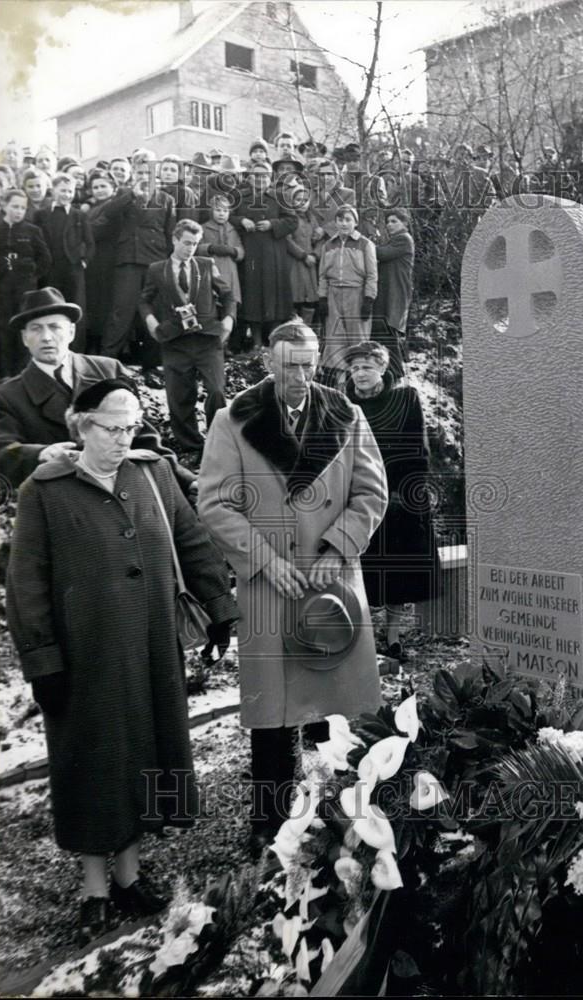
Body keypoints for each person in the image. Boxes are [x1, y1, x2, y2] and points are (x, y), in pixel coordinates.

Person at [6, 377, 236, 944]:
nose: (123, 438)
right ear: (81, 426)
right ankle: (94, 890)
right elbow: (27, 584)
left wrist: (219, 609)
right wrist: (42, 661)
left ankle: (129, 877)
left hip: (154, 645)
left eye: (131, 427)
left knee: (144, 750)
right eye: (112, 428)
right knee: (93, 761)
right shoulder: (45, 490)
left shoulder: (151, 474)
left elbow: (193, 541)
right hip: (84, 657)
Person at [198, 321, 387, 851]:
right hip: (269, 585)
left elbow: (372, 492)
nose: (300, 376)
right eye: (289, 366)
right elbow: (215, 503)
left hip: (332, 581)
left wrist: (337, 547)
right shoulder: (233, 419)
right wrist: (263, 561)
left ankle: (347, 813)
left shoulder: (346, 414)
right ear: (268, 362)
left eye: (308, 365)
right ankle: (270, 821)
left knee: (344, 702)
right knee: (273, 711)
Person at [0, 286, 196, 495]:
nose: (46, 337)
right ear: (24, 338)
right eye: (36, 329)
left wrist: (187, 481)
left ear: (71, 332)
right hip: (62, 498)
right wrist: (41, 454)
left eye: (55, 327)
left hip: (129, 490)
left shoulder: (108, 370)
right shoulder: (6, 396)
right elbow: (0, 451)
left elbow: (144, 438)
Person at [345, 341, 439, 660]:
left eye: (367, 367)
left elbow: (418, 447)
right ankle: (362, 636)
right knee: (360, 567)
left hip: (398, 492)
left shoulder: (405, 398)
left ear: (383, 369)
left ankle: (394, 635)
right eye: (355, 368)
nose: (360, 374)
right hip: (357, 496)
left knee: (398, 569)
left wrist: (409, 492)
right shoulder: (342, 404)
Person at [140, 219, 235, 455]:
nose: (190, 248)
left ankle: (217, 442)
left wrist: (229, 320)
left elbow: (228, 295)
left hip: (207, 339)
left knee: (216, 391)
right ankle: (192, 449)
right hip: (175, 341)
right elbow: (144, 301)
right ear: (174, 240)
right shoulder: (157, 269)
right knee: (179, 398)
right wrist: (151, 322)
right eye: (186, 243)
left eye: (194, 244)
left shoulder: (206, 265)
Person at [99, 159, 176, 383]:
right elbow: (108, 213)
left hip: (156, 261)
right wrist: (132, 195)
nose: (144, 177)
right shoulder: (124, 194)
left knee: (154, 312)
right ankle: (105, 363)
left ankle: (151, 366)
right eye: (140, 172)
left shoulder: (166, 199)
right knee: (121, 312)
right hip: (129, 260)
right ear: (134, 174)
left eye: (148, 173)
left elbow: (170, 233)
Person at [234, 161, 297, 348]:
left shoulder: (279, 197)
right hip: (250, 253)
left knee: (274, 295)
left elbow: (292, 221)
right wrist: (242, 220)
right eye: (256, 175)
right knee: (252, 295)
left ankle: (273, 339)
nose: (260, 179)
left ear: (270, 178)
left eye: (264, 176)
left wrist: (272, 224)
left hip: (273, 253)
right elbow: (227, 216)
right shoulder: (240, 197)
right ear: (249, 178)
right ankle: (256, 342)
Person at [0, 188, 51, 377]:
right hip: (1, 289)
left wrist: (32, 277)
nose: (19, 211)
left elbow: (45, 259)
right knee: (4, 329)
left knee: (25, 328)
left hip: (25, 289)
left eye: (22, 208)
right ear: (4, 206)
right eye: (14, 207)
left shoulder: (33, 231)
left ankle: (24, 373)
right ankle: (6, 374)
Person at [34, 172, 94, 351]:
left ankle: (76, 350)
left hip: (72, 269)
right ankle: (51, 348)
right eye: (62, 190)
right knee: (50, 306)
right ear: (53, 190)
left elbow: (90, 242)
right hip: (50, 269)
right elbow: (36, 241)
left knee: (75, 308)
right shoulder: (41, 214)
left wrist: (84, 260)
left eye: (70, 191)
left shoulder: (79, 215)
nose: (67, 195)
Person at [318, 205, 377, 382]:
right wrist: (322, 297)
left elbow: (372, 275)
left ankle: (359, 380)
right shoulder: (328, 245)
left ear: (355, 222)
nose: (344, 223)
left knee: (357, 338)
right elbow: (322, 275)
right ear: (335, 222)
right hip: (333, 295)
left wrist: (369, 298)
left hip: (356, 295)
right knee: (335, 338)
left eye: (348, 220)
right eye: (340, 219)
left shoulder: (365, 244)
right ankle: (340, 381)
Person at [371, 206, 414, 381]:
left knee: (388, 330)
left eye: (394, 221)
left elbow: (381, 254)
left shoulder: (404, 239)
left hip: (395, 293)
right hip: (389, 293)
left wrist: (364, 243)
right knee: (384, 331)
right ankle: (391, 372)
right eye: (388, 221)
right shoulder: (394, 240)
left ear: (405, 223)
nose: (389, 224)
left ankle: (397, 373)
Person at [197, 194, 244, 350]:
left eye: (225, 211)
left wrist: (234, 251)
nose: (221, 214)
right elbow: (197, 248)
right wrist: (210, 248)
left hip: (230, 274)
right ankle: (212, 343)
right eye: (218, 210)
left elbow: (241, 251)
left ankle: (224, 344)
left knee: (230, 308)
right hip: (212, 272)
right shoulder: (203, 228)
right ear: (211, 211)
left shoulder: (232, 230)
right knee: (213, 307)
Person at [85, 168, 119, 353]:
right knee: (94, 302)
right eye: (95, 187)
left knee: (107, 303)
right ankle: (95, 341)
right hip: (94, 261)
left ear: (113, 187)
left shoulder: (114, 206)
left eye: (103, 186)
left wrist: (84, 229)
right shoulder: (90, 208)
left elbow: (97, 229)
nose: (99, 190)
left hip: (110, 258)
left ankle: (104, 344)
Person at [285, 183, 318, 326]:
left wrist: (315, 255)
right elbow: (287, 240)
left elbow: (319, 240)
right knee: (295, 296)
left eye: (305, 200)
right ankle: (293, 329)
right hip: (294, 263)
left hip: (310, 264)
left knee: (309, 298)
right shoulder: (290, 218)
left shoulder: (312, 219)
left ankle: (306, 329)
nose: (302, 203)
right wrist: (303, 255)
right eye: (298, 200)